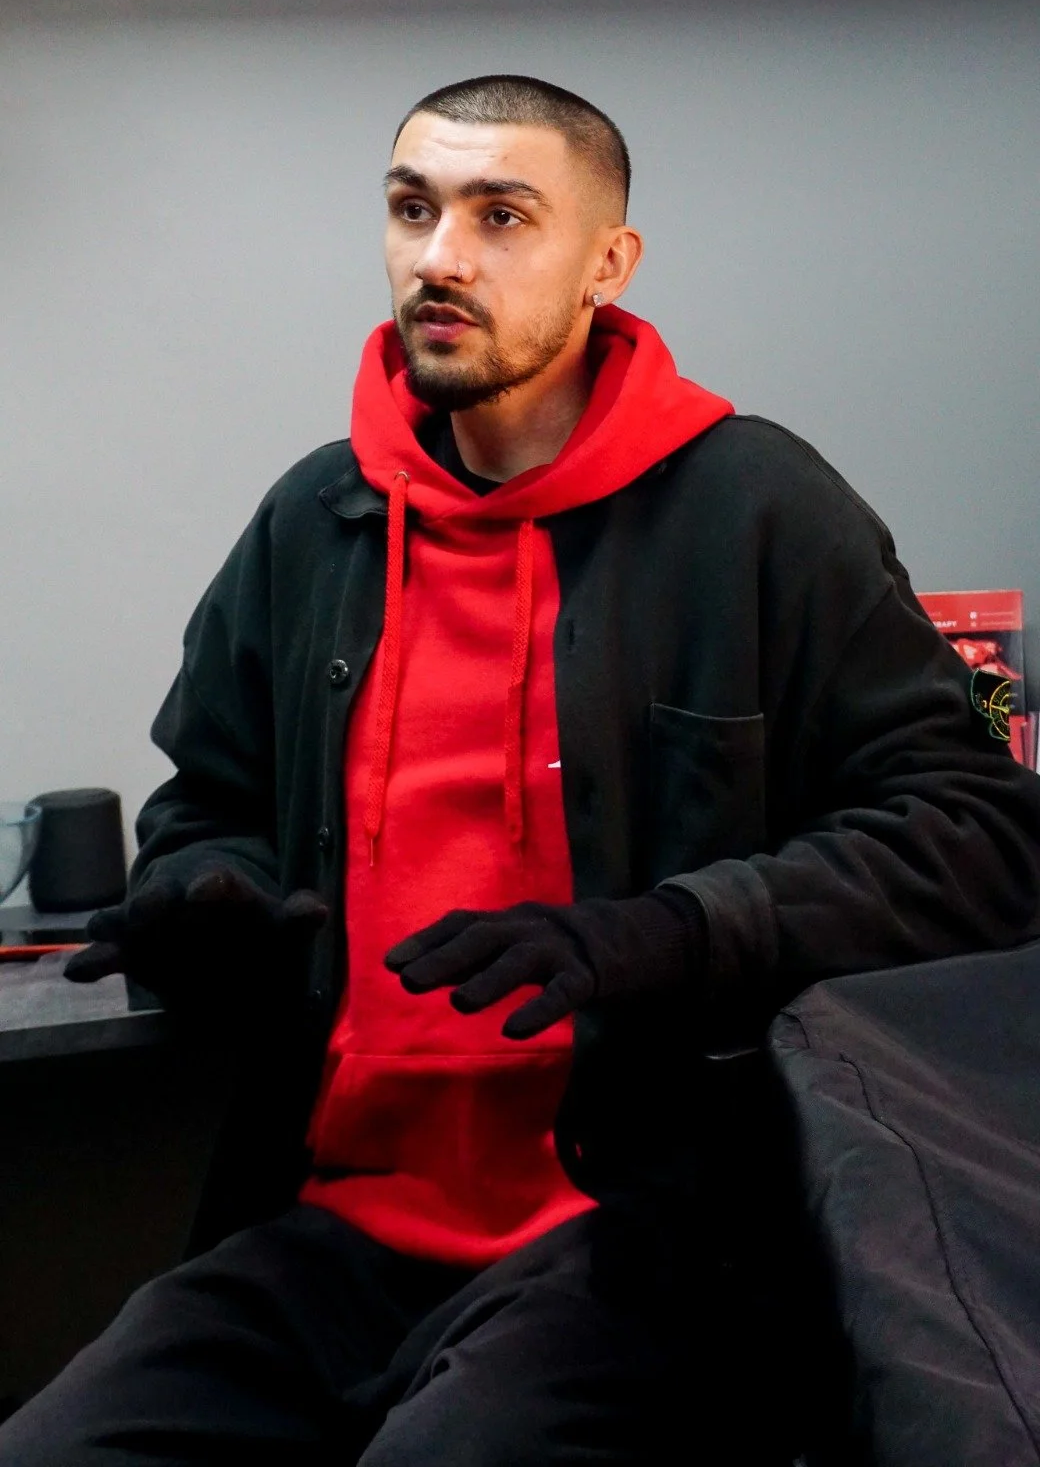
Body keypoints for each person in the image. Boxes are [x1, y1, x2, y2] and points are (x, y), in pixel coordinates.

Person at [3, 74, 1038, 1466]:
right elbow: (212, 806)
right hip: (332, 1216)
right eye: (412, 208)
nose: (442, 255)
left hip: (638, 1223)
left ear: (608, 263)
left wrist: (669, 934)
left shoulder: (759, 508)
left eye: (503, 216)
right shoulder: (313, 523)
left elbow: (979, 831)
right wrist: (211, 897)